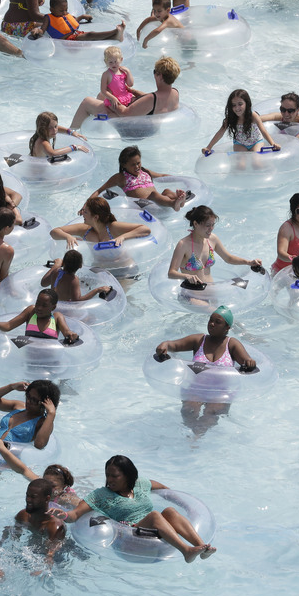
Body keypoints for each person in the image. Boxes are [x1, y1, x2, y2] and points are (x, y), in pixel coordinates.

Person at [52, 455, 215, 562]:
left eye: (114, 476)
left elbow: (166, 491)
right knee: (155, 516)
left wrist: (188, 507)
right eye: (107, 475)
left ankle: (202, 547)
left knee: (169, 512)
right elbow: (76, 513)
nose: (109, 480)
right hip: (129, 536)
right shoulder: (101, 495)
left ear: (128, 475)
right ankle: (186, 550)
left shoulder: (141, 484)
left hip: (154, 532)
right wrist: (65, 514)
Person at [154, 306, 255, 435]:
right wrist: (165, 344)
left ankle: (197, 436)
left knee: (212, 413)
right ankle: (191, 434)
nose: (212, 324)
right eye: (210, 320)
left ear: (227, 328)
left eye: (217, 322)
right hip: (196, 387)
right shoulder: (199, 340)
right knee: (188, 410)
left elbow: (246, 361)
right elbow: (173, 345)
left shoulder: (232, 344)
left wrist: (249, 362)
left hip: (220, 392)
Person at [69, 56, 182, 129]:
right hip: (150, 128)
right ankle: (99, 127)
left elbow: (125, 114)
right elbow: (153, 100)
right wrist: (132, 91)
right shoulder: (174, 93)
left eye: (154, 72)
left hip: (133, 131)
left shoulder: (152, 99)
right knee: (100, 96)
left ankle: (71, 132)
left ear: (160, 76)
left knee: (87, 102)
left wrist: (111, 97)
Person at [168, 205, 262, 286]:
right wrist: (187, 276)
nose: (211, 229)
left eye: (213, 225)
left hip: (211, 290)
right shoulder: (183, 244)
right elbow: (171, 273)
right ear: (196, 224)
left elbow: (228, 258)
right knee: (211, 308)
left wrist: (248, 262)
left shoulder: (212, 239)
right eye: (208, 225)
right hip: (193, 293)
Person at [0, 439, 82, 508]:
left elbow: (84, 505)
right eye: (46, 483)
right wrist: (2, 449)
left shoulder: (65, 498)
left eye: (53, 486)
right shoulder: (43, 485)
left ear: (64, 486)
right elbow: (22, 469)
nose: (47, 487)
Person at [91, 145, 186, 210]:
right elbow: (100, 190)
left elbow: (162, 176)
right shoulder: (121, 177)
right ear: (124, 165)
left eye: (138, 163)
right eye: (133, 164)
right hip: (145, 205)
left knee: (167, 191)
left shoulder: (144, 171)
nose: (137, 167)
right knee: (154, 194)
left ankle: (179, 199)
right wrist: (87, 205)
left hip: (158, 201)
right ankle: (174, 204)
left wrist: (181, 179)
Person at [0, 378, 61, 448]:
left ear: (45, 404)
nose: (29, 401)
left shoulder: (43, 422)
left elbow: (39, 445)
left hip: (5, 460)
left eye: (34, 400)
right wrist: (11, 387)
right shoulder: (19, 406)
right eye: (28, 396)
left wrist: (51, 413)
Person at [51, 196, 151, 249]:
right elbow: (54, 232)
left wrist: (122, 237)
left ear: (96, 217)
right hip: (101, 270)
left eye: (85, 212)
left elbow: (145, 229)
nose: (82, 214)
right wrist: (68, 236)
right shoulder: (84, 229)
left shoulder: (112, 227)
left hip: (124, 271)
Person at [202, 89, 280, 155]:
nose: (237, 108)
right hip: (240, 143)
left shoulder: (253, 116)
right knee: (240, 166)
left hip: (256, 142)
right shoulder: (230, 118)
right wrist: (208, 147)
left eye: (240, 104)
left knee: (257, 163)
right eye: (234, 105)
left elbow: (263, 131)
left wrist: (273, 144)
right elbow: (220, 133)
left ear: (247, 103)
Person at [11, 478, 67, 567]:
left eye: (33, 497)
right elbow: (14, 538)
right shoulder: (23, 515)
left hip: (58, 558)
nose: (28, 500)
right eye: (27, 495)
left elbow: (50, 556)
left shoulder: (54, 526)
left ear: (47, 498)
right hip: (32, 549)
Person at [31, 0, 125, 42]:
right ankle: (115, 32)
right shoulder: (48, 18)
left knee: (92, 36)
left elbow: (73, 21)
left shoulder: (64, 14)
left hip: (75, 34)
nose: (64, 12)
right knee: (90, 35)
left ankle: (116, 37)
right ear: (52, 9)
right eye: (61, 10)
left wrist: (82, 16)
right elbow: (42, 29)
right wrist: (37, 30)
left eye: (66, 9)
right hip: (67, 40)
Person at [41, 249, 112, 302]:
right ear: (80, 266)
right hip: (66, 307)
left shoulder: (56, 271)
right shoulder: (73, 280)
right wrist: (97, 290)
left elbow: (43, 283)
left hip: (53, 303)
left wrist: (56, 265)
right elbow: (77, 300)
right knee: (90, 318)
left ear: (63, 263)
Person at [98, 46, 142, 113]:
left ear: (121, 60)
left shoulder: (123, 71)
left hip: (126, 96)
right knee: (123, 111)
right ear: (105, 62)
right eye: (110, 62)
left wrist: (128, 72)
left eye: (116, 61)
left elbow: (130, 84)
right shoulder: (106, 74)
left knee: (141, 103)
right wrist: (113, 98)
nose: (114, 64)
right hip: (114, 99)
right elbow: (103, 90)